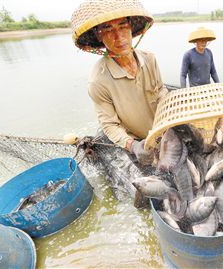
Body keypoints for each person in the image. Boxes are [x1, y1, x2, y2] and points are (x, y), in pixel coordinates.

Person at [71, 0, 167, 206]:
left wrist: (168, 122)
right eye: (108, 29)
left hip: (158, 131)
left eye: (123, 26)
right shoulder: (98, 81)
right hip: (133, 141)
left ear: (131, 28)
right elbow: (110, 125)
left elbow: (161, 92)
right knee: (144, 198)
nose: (119, 36)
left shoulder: (150, 59)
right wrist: (133, 145)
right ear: (98, 35)